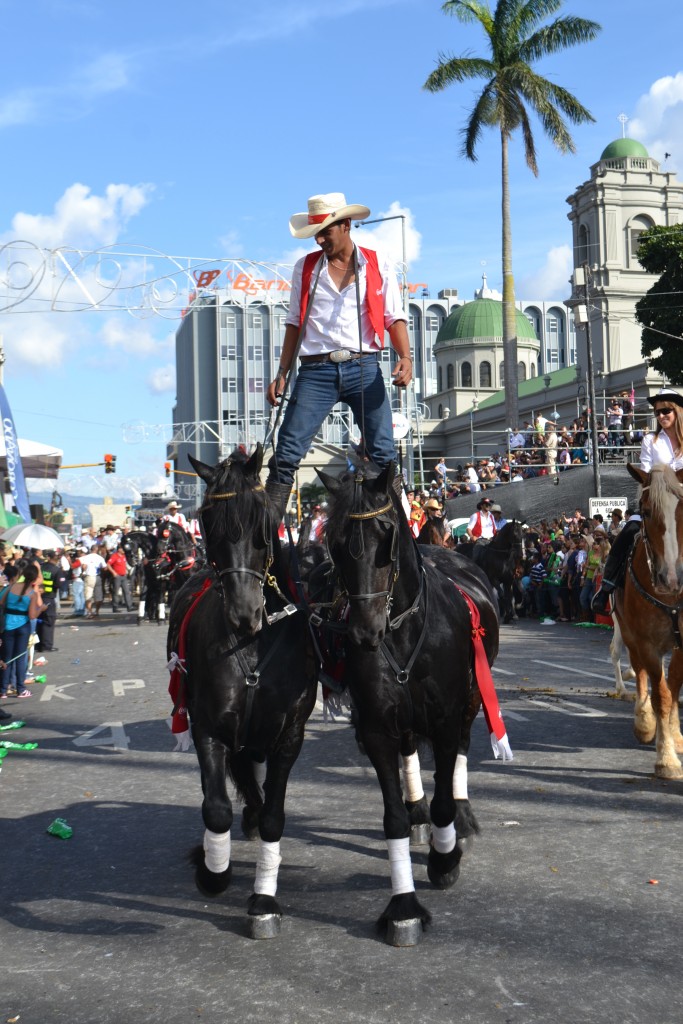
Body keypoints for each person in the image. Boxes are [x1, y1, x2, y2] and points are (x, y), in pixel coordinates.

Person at [264, 193, 412, 515]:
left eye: (325, 232)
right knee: (286, 454)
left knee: (384, 453)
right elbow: (293, 323)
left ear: (345, 225)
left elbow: (393, 316)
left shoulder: (377, 263)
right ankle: (266, 538)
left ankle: (403, 529)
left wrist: (405, 356)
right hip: (316, 372)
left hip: (364, 367)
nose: (319, 239)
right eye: (316, 233)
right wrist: (282, 374)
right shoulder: (305, 269)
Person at [592, 387, 683, 613]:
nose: (661, 416)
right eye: (657, 412)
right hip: (658, 499)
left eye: (665, 411)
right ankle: (607, 587)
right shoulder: (650, 441)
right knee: (629, 530)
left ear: (677, 411)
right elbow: (645, 473)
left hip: (682, 502)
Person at [0, 564, 46, 699]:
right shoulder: (32, 593)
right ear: (34, 579)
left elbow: (1, 602)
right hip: (23, 627)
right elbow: (32, 616)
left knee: (6, 658)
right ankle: (20, 689)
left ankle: (3, 690)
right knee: (20, 657)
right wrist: (41, 609)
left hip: (8, 625)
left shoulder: (10, 588)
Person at [106, 545, 134, 612]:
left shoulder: (124, 556)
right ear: (119, 549)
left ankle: (129, 606)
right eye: (122, 549)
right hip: (117, 576)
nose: (124, 550)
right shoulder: (114, 556)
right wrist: (113, 572)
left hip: (124, 576)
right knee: (116, 592)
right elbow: (108, 564)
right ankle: (115, 607)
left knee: (126, 591)